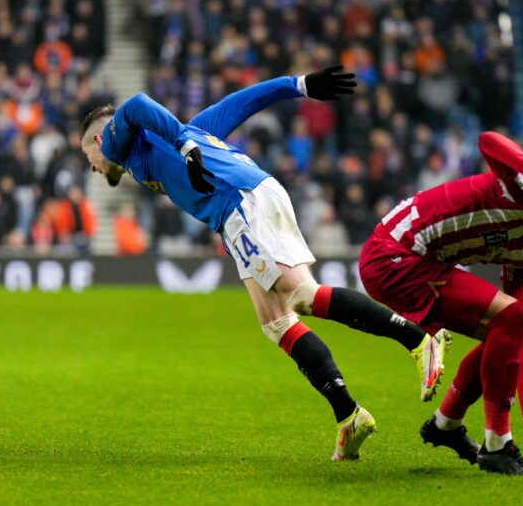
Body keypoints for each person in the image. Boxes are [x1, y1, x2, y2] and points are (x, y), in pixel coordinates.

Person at [78, 66, 451, 461]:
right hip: (244, 205)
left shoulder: (124, 142)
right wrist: (299, 85)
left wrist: (186, 147)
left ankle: (418, 339)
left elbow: (136, 104)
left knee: (303, 297)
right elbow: (239, 103)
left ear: (100, 140)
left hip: (242, 202)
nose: (93, 166)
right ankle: (349, 415)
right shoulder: (182, 134)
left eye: (89, 157)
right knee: (277, 322)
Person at [358, 131, 523, 477]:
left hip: (413, 263)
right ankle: (497, 444)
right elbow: (488, 140)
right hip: (394, 256)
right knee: (507, 317)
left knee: (505, 332)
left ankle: (445, 424)